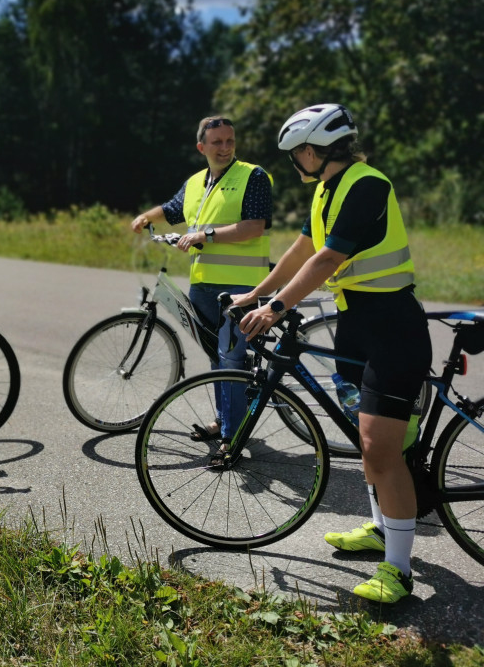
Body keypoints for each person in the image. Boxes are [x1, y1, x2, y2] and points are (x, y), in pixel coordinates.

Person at [233, 103, 431, 603]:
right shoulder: (327, 190)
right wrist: (255, 294)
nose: (294, 162)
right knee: (367, 444)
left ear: (313, 149)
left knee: (381, 452)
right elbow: (301, 250)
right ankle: (381, 528)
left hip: (391, 326)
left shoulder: (366, 184)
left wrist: (277, 307)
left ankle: (400, 572)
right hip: (356, 324)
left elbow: (328, 257)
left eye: (295, 153)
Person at [131, 116, 273, 446]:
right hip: (204, 286)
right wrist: (146, 218)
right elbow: (172, 209)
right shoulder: (197, 182)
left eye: (229, 141)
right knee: (216, 357)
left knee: (232, 359)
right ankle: (225, 421)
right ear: (201, 147)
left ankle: (232, 438)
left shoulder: (253, 176)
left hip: (241, 287)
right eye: (217, 142)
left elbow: (254, 226)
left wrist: (205, 235)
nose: (225, 148)